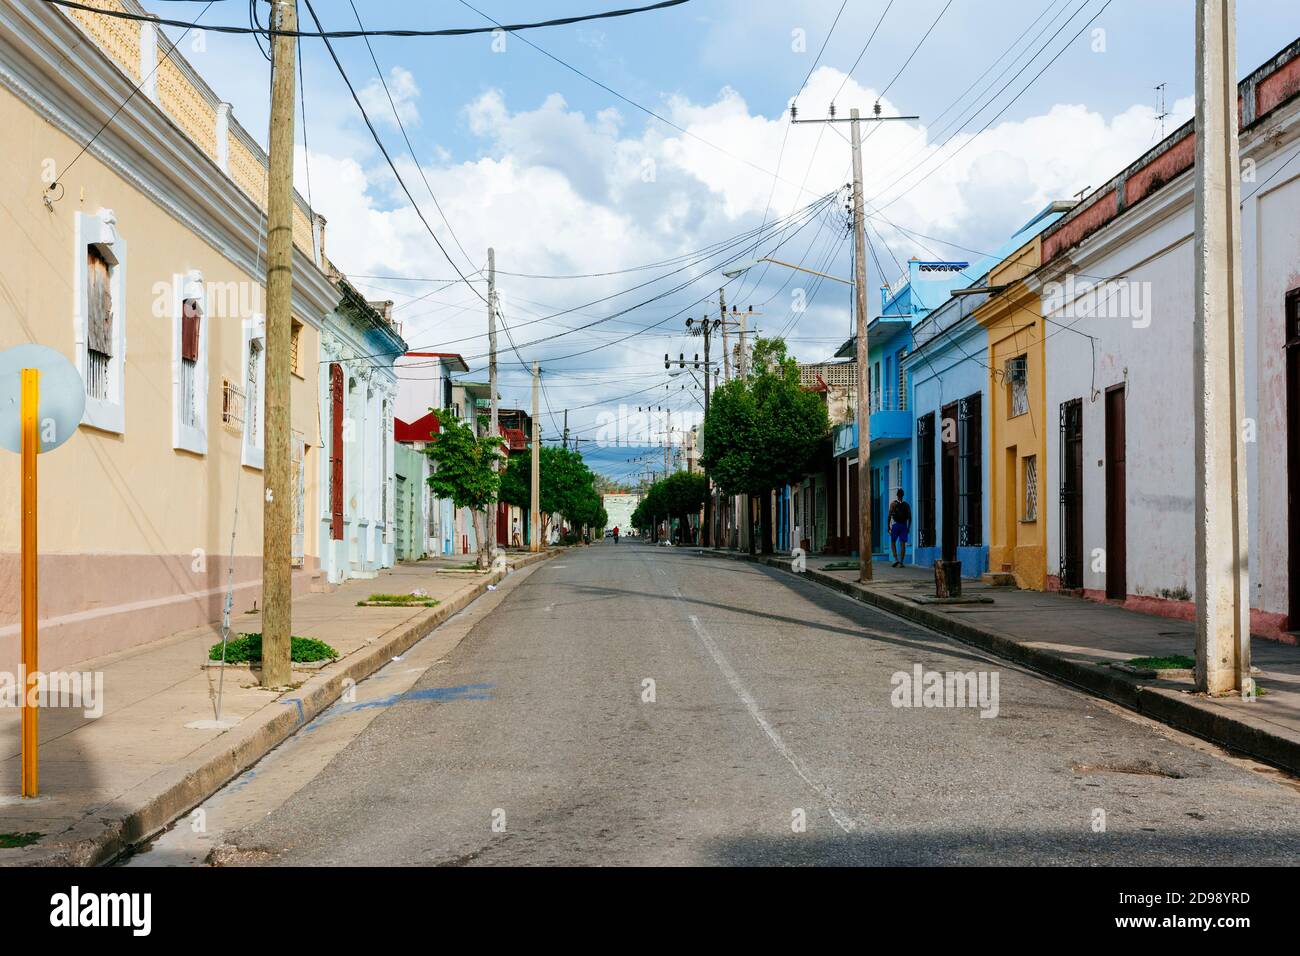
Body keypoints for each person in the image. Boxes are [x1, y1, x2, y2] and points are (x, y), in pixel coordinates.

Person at [888, 488, 912, 568]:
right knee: (903, 544)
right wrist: (908, 528)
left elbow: (889, 516)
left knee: (893, 542)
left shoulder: (893, 504)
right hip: (903, 525)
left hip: (895, 525)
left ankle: (895, 559)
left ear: (897, 495)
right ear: (903, 495)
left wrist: (888, 526)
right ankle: (901, 562)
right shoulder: (906, 505)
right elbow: (910, 517)